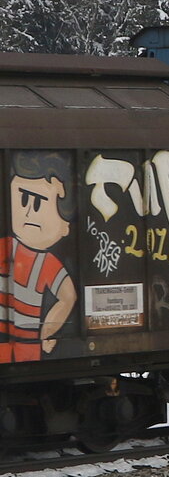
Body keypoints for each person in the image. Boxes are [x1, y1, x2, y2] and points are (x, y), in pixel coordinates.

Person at [0, 152, 77, 363]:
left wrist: (48, 332)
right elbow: (68, 297)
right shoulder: (5, 247)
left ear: (65, 226)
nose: (28, 213)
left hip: (28, 347)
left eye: (39, 204)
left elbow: (68, 297)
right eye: (23, 199)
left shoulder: (48, 264)